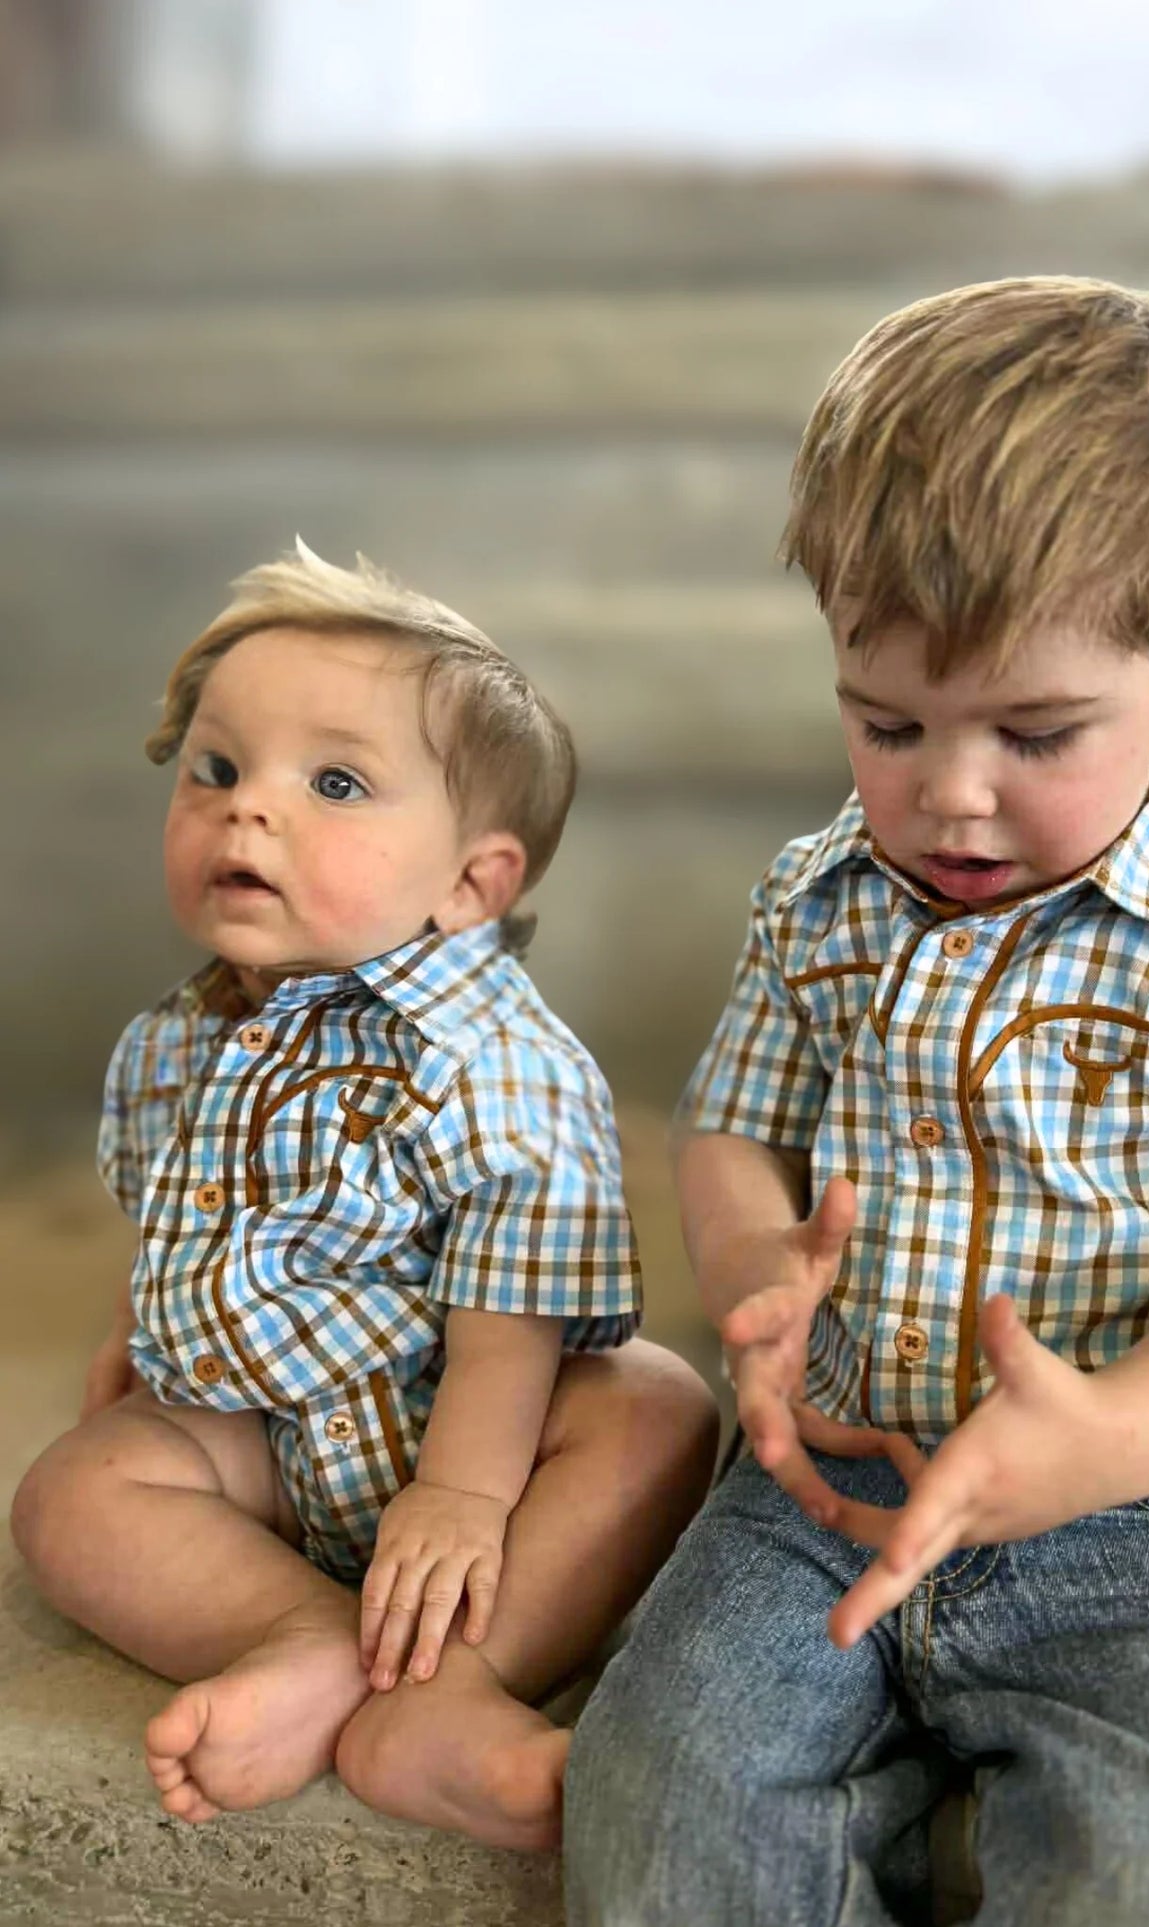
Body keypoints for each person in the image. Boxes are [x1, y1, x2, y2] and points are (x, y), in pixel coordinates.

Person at [563, 277, 1149, 1926]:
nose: (946, 796)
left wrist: (1109, 1436)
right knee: (660, 1803)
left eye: (1033, 733)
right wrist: (757, 1273)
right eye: (885, 721)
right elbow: (734, 1128)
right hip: (822, 1480)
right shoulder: (820, 899)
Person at [10, 543, 718, 1850]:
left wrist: (455, 1494)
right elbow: (184, 1216)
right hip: (265, 1439)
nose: (247, 811)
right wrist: (141, 1342)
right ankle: (302, 1637)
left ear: (470, 885)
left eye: (333, 782)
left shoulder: (487, 1051)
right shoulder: (178, 1040)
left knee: (659, 1411)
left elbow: (515, 1294)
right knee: (69, 1496)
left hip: (460, 1420)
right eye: (216, 770)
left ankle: (448, 1693)